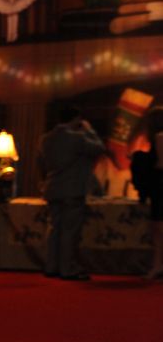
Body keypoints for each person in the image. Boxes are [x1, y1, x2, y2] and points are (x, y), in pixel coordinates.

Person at [37, 108, 105, 280]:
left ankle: (51, 266)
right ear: (77, 120)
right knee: (69, 231)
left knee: (54, 229)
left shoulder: (45, 139)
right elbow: (99, 148)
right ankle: (67, 269)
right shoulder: (78, 138)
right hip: (73, 189)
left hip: (52, 188)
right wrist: (90, 130)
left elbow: (41, 165)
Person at [137, 107, 163, 278]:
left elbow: (161, 164)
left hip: (160, 185)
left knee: (158, 228)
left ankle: (157, 265)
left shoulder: (160, 137)